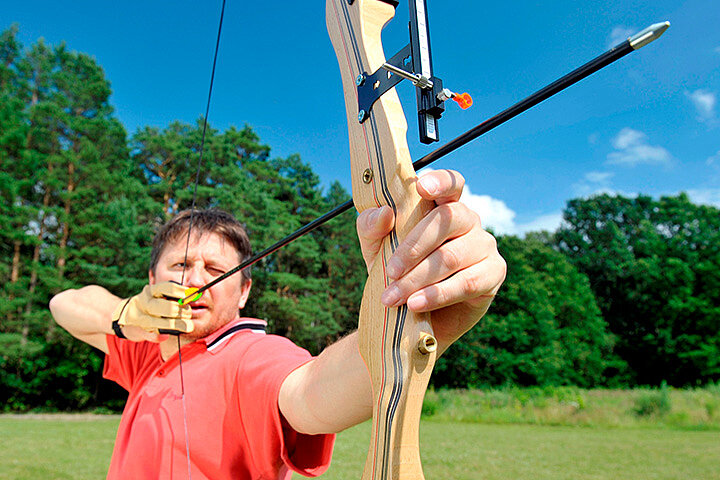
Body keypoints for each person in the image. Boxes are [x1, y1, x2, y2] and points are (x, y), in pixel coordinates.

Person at [49, 169, 506, 479]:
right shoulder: (146, 350)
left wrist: (416, 317)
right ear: (151, 279)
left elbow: (314, 391)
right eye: (181, 265)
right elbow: (65, 303)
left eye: (216, 271)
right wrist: (127, 315)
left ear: (244, 292)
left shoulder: (251, 354)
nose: (194, 282)